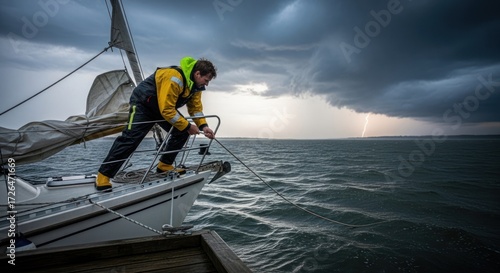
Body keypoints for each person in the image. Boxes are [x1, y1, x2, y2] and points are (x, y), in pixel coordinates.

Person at [95, 56, 217, 191]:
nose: (206, 84)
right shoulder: (174, 77)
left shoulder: (195, 86)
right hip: (143, 104)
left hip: (162, 108)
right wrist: (188, 126)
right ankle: (103, 175)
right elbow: (167, 109)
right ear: (197, 73)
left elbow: (195, 109)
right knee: (130, 139)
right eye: (206, 80)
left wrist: (203, 127)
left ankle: (164, 165)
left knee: (181, 132)